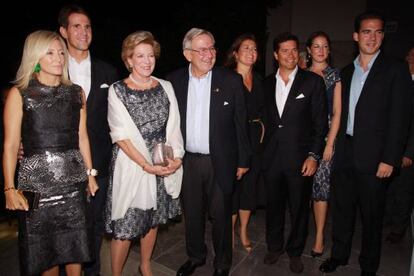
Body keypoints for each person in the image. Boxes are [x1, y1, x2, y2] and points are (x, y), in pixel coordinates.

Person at [319, 11, 412, 276]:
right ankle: (339, 256)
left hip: (375, 158)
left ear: (383, 36)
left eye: (378, 32)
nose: (372, 37)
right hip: (345, 152)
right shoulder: (346, 72)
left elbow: (400, 119)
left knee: (372, 218)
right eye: (367, 32)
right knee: (343, 211)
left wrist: (390, 158)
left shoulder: (396, 69)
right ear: (356, 36)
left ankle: (369, 266)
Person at [3, 30, 98, 276]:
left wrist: (90, 174)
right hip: (37, 188)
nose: (58, 58)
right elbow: (11, 145)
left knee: (75, 249)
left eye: (61, 52)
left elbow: (82, 137)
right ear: (35, 58)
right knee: (46, 255)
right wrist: (9, 189)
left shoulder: (76, 93)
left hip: (73, 185)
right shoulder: (20, 94)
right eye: (50, 53)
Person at [166, 28, 251, 276]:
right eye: (202, 49)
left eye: (212, 47)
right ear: (187, 54)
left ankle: (223, 263)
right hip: (187, 162)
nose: (209, 53)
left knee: (222, 216)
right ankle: (196, 256)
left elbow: (241, 123)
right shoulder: (174, 81)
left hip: (220, 161)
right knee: (192, 215)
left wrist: (243, 160)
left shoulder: (230, 80)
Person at [105, 31, 184, 276]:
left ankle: (145, 265)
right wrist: (145, 165)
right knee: (127, 224)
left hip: (162, 162)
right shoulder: (117, 90)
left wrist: (177, 158)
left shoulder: (166, 86)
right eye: (140, 55)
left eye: (151, 55)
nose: (147, 60)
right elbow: (121, 136)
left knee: (153, 221)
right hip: (132, 165)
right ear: (128, 60)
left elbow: (174, 127)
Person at [58, 5, 118, 275]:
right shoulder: (51, 68)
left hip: (100, 164)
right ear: (63, 31)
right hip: (60, 165)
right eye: (76, 26)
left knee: (94, 226)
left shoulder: (108, 71)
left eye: (88, 26)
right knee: (64, 229)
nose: (83, 32)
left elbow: (118, 118)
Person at [262, 32, 328, 274]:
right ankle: (274, 246)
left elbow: (321, 125)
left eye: (294, 50)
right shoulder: (266, 83)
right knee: (274, 206)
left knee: (299, 208)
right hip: (271, 158)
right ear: (276, 55)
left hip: (301, 159)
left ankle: (295, 251)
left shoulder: (312, 82)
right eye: (285, 51)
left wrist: (313, 155)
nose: (291, 55)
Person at [223, 33, 264, 254]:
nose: (251, 52)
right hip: (234, 138)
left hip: (256, 139)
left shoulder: (259, 80)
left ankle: (244, 231)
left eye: (255, 48)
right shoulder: (226, 79)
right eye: (246, 48)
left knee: (250, 189)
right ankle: (229, 232)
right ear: (236, 53)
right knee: (233, 188)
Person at [306, 31, 342, 257]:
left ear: (329, 50)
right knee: (304, 188)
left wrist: (329, 143)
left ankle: (319, 236)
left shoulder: (334, 75)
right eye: (316, 46)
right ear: (309, 50)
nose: (320, 50)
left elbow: (337, 113)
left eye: (324, 46)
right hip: (302, 138)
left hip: (326, 138)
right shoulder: (301, 74)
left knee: (320, 188)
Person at [385, 46, 414, 244]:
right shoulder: (398, 82)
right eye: (410, 54)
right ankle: (387, 219)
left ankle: (398, 228)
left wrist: (409, 152)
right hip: (390, 147)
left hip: (407, 150)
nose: (411, 58)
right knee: (388, 187)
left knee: (404, 190)